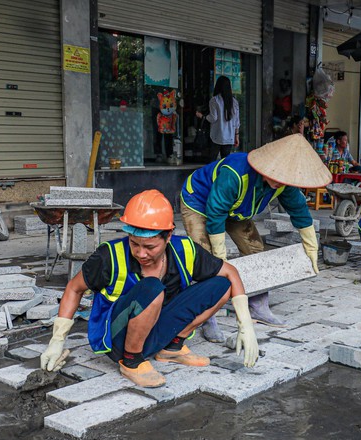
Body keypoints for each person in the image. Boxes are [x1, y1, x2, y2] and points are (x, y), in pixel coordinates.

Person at [38, 190, 260, 388]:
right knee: (152, 288)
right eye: (135, 244)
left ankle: (171, 348)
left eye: (150, 247)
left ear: (169, 236)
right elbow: (74, 289)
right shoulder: (109, 256)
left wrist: (246, 325)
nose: (141, 253)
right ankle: (132, 362)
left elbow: (231, 272)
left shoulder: (185, 249)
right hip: (117, 337)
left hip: (155, 328)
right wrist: (57, 342)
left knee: (222, 285)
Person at [179, 133, 330, 342]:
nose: (280, 182)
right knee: (206, 257)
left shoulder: (282, 183)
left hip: (235, 210)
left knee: (255, 250)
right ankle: (208, 317)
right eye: (277, 177)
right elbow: (215, 213)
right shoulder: (235, 173)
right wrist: (219, 257)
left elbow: (300, 212)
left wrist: (311, 247)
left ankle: (258, 306)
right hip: (199, 202)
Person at [196, 76, 240, 160]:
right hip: (229, 137)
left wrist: (202, 116)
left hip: (217, 136)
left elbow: (213, 118)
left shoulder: (214, 100)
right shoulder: (234, 102)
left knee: (212, 162)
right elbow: (236, 121)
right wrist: (236, 136)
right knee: (225, 163)